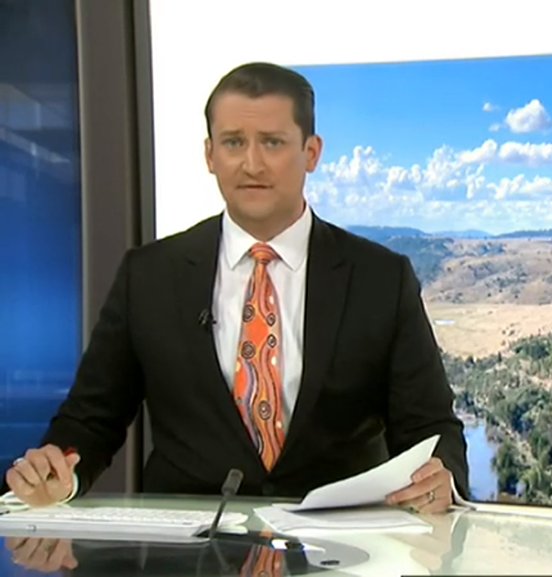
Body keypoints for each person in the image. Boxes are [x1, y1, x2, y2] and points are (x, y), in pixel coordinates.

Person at [1, 62, 469, 513]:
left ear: (311, 152)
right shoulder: (149, 276)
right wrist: (58, 471)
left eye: (272, 142)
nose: (252, 163)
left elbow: (431, 427)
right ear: (210, 155)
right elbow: (90, 419)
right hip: (189, 557)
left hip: (344, 551)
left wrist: (441, 477)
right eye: (233, 142)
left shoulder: (380, 278)